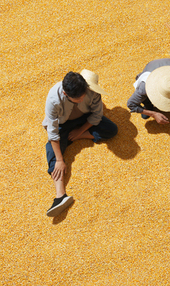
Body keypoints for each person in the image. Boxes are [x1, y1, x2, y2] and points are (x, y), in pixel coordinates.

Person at [42, 70, 118, 217]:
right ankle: (60, 196)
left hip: (85, 120)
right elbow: (52, 132)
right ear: (66, 94)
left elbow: (97, 115)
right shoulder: (53, 99)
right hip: (63, 124)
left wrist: (80, 131)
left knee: (112, 129)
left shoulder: (91, 90)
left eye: (84, 96)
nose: (83, 99)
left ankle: (84, 136)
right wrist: (59, 160)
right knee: (51, 149)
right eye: (78, 99)